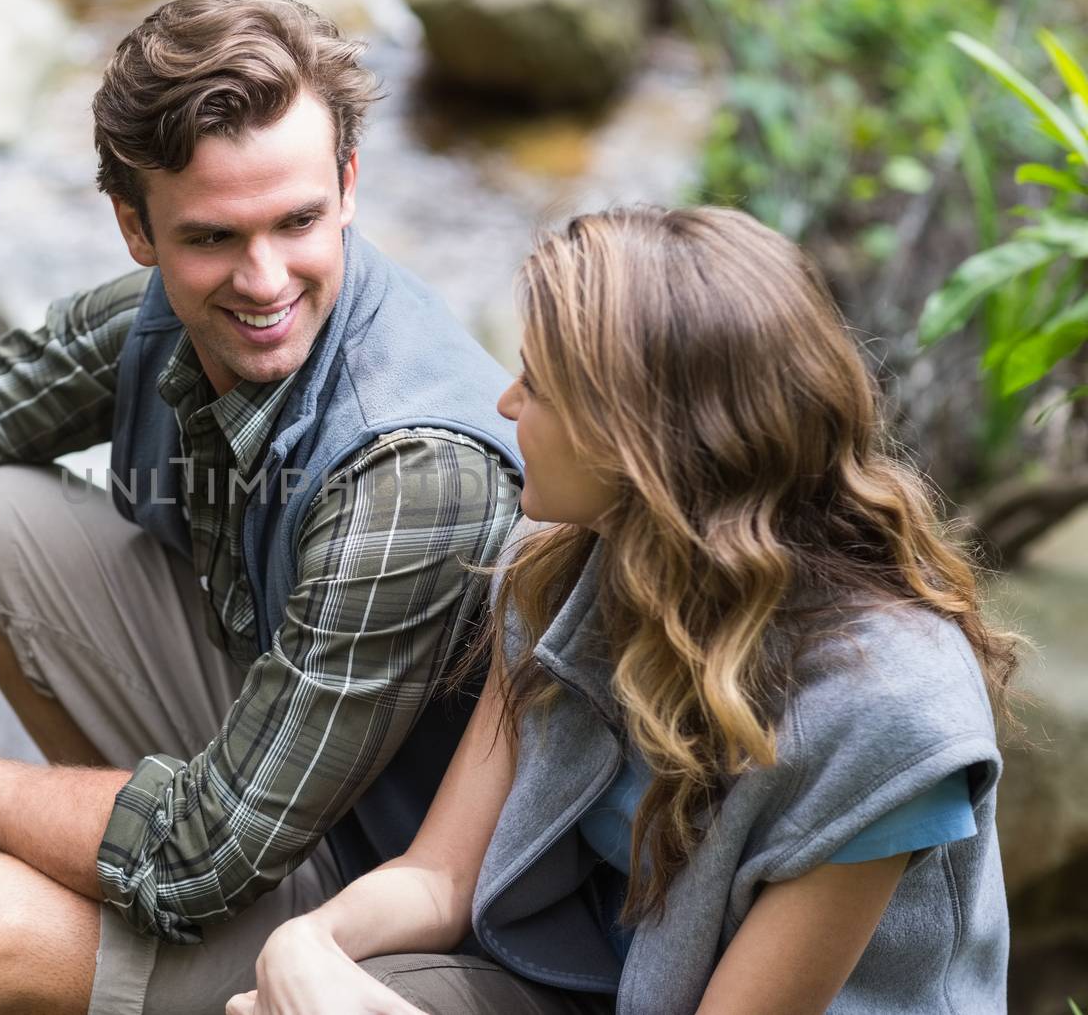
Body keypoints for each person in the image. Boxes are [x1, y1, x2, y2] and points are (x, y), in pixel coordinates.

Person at [0, 0, 525, 1015]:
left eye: (299, 221)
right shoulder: (162, 314)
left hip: (432, 927)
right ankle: (126, 913)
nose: (265, 281)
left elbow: (205, 850)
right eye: (212, 237)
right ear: (137, 228)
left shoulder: (415, 472)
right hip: (283, 789)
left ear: (350, 183)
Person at [229, 205, 1020, 1015]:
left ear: (635, 440)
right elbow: (443, 875)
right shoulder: (564, 566)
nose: (503, 403)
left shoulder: (887, 718)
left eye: (536, 383)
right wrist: (306, 946)